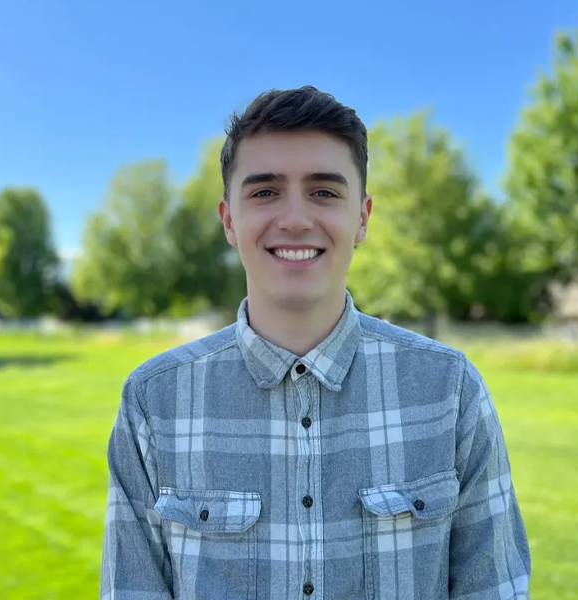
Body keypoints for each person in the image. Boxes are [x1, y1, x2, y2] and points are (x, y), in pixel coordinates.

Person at [100, 85, 531, 600]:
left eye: (324, 192)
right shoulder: (154, 402)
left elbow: (495, 589)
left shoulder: (448, 391)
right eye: (264, 192)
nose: (297, 218)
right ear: (229, 220)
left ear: (363, 218)